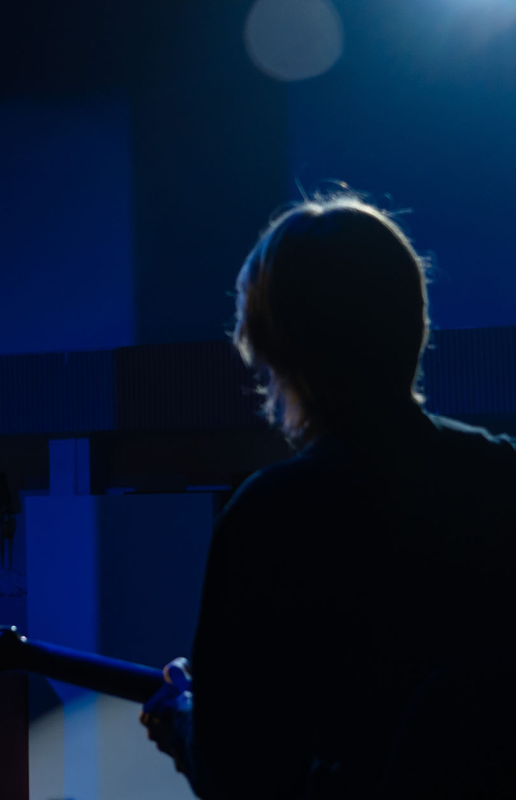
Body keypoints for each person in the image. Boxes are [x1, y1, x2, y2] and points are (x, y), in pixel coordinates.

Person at [140, 193, 516, 799]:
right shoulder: (501, 472)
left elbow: (239, 771)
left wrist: (185, 722)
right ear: (413, 323)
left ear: (275, 348)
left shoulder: (272, 516)